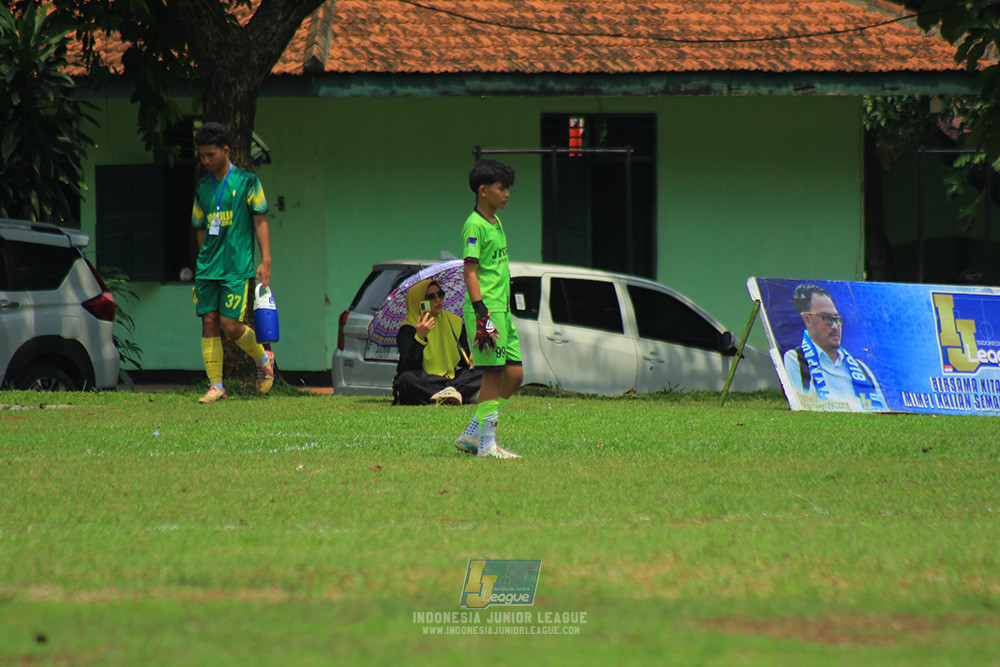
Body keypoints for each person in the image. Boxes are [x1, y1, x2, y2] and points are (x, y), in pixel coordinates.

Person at [190, 122, 276, 403]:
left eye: (210, 155)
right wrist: (205, 260)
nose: (205, 161)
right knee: (208, 322)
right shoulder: (202, 187)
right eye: (201, 155)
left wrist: (266, 260)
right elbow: (200, 227)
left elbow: (260, 220)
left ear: (226, 151)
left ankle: (263, 357)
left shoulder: (248, 182)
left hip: (237, 268)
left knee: (230, 325)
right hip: (208, 269)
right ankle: (216, 386)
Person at [454, 160, 523, 459]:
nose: (506, 194)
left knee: (515, 374)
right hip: (487, 311)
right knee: (492, 375)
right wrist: (481, 312)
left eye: (508, 188)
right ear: (483, 191)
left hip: (503, 311)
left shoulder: (496, 221)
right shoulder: (475, 225)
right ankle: (487, 445)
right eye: (501, 188)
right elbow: (470, 271)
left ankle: (473, 433)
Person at [782, 283, 887, 411]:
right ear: (807, 320)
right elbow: (802, 407)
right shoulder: (796, 360)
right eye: (827, 318)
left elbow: (883, 411)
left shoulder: (861, 369)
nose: (835, 326)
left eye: (836, 319)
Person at [393, 279, 482, 405]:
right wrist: (420, 337)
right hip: (424, 379)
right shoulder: (408, 328)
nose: (438, 299)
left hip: (448, 377)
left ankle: (448, 393)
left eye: (440, 294)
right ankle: (458, 392)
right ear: (418, 301)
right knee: (406, 380)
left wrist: (473, 357)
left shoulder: (454, 322)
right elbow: (409, 366)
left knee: (483, 371)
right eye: (431, 297)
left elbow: (464, 360)